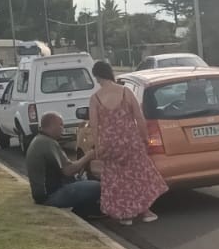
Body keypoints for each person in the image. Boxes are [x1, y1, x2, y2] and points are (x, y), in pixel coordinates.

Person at [90, 60, 168, 225]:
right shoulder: (126, 92)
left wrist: (97, 147)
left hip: (109, 144)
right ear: (110, 73)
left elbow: (94, 125)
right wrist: (145, 138)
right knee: (138, 176)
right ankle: (145, 211)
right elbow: (139, 118)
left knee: (118, 179)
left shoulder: (95, 98)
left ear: (97, 77)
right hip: (130, 141)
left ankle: (126, 215)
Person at [25, 112, 101, 215]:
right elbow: (68, 171)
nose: (63, 128)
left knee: (83, 180)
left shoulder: (39, 140)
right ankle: (85, 212)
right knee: (99, 186)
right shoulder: (47, 143)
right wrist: (88, 156)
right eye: (60, 125)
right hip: (50, 196)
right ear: (51, 125)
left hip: (47, 192)